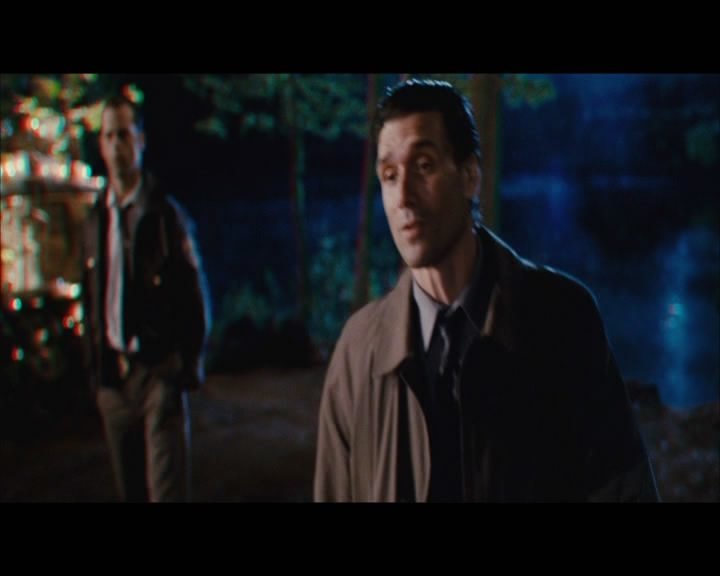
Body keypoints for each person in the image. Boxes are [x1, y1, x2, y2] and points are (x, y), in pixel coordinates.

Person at [314, 79, 659, 502]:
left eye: (423, 166)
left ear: (470, 176)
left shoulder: (562, 318)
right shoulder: (359, 352)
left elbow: (623, 489)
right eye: (389, 175)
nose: (403, 196)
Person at [81, 95, 211, 502]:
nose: (116, 145)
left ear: (140, 140)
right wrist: (96, 370)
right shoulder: (95, 219)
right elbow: (91, 297)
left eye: (123, 135)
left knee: (166, 490)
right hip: (114, 379)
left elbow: (193, 293)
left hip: (158, 372)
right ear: (100, 145)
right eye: (108, 136)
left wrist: (185, 366)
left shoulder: (164, 216)